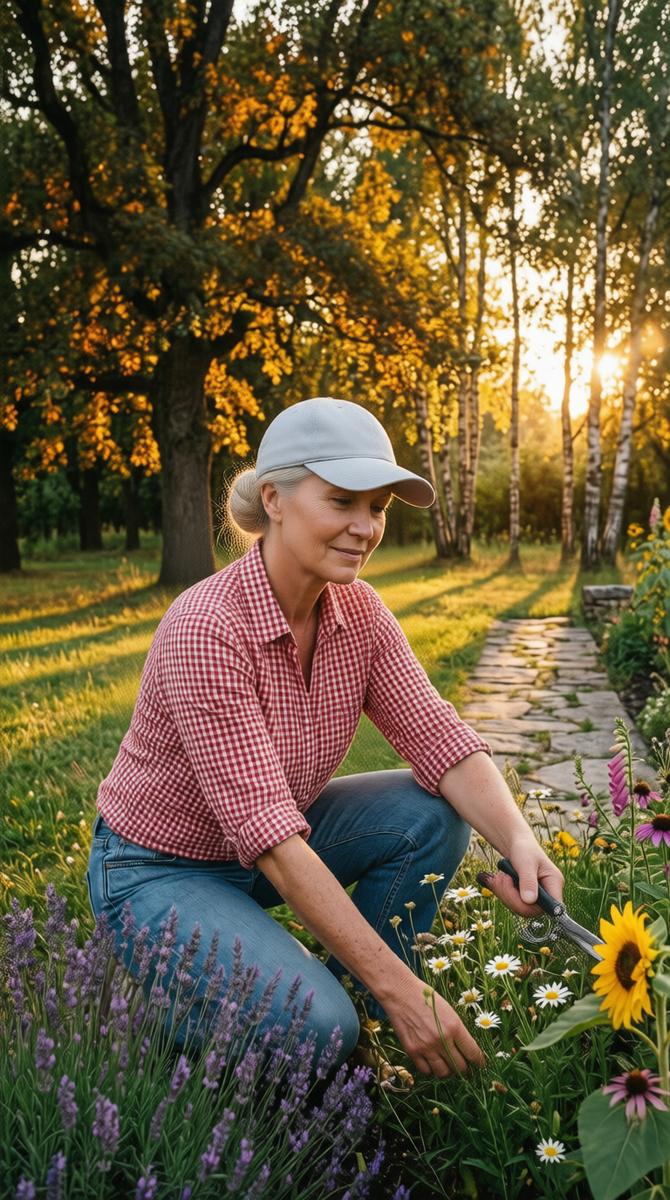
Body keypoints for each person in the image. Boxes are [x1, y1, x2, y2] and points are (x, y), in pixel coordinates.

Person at [86, 397, 563, 1080]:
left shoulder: (358, 612)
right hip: (158, 868)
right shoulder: (207, 628)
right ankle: (184, 1014)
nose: (365, 527)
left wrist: (521, 843)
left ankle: (346, 1011)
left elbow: (441, 740)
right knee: (318, 1024)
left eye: (378, 508)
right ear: (275, 499)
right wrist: (406, 987)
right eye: (343, 501)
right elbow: (275, 842)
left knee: (430, 814)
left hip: (256, 853)